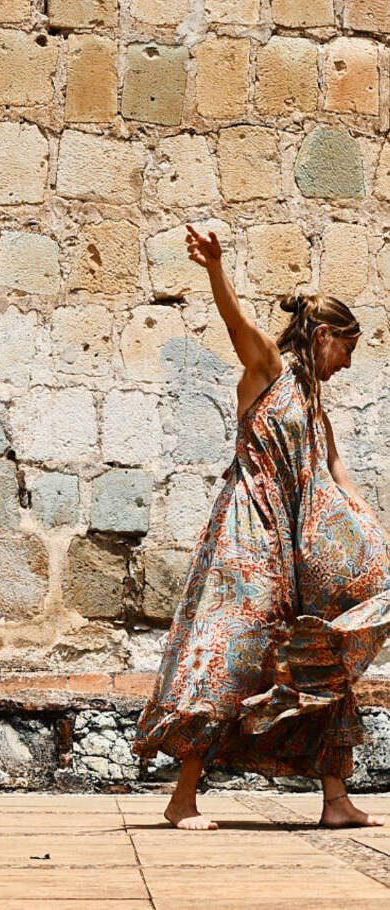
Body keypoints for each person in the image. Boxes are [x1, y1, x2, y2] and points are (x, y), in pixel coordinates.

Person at [132, 224, 390, 830]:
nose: (349, 362)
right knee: (230, 653)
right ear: (323, 336)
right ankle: (182, 798)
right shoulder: (269, 371)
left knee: (316, 654)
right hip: (247, 535)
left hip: (295, 543)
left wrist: (372, 536)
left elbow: (335, 472)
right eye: (347, 347)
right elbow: (237, 328)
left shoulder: (315, 404)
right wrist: (215, 270)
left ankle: (335, 801)